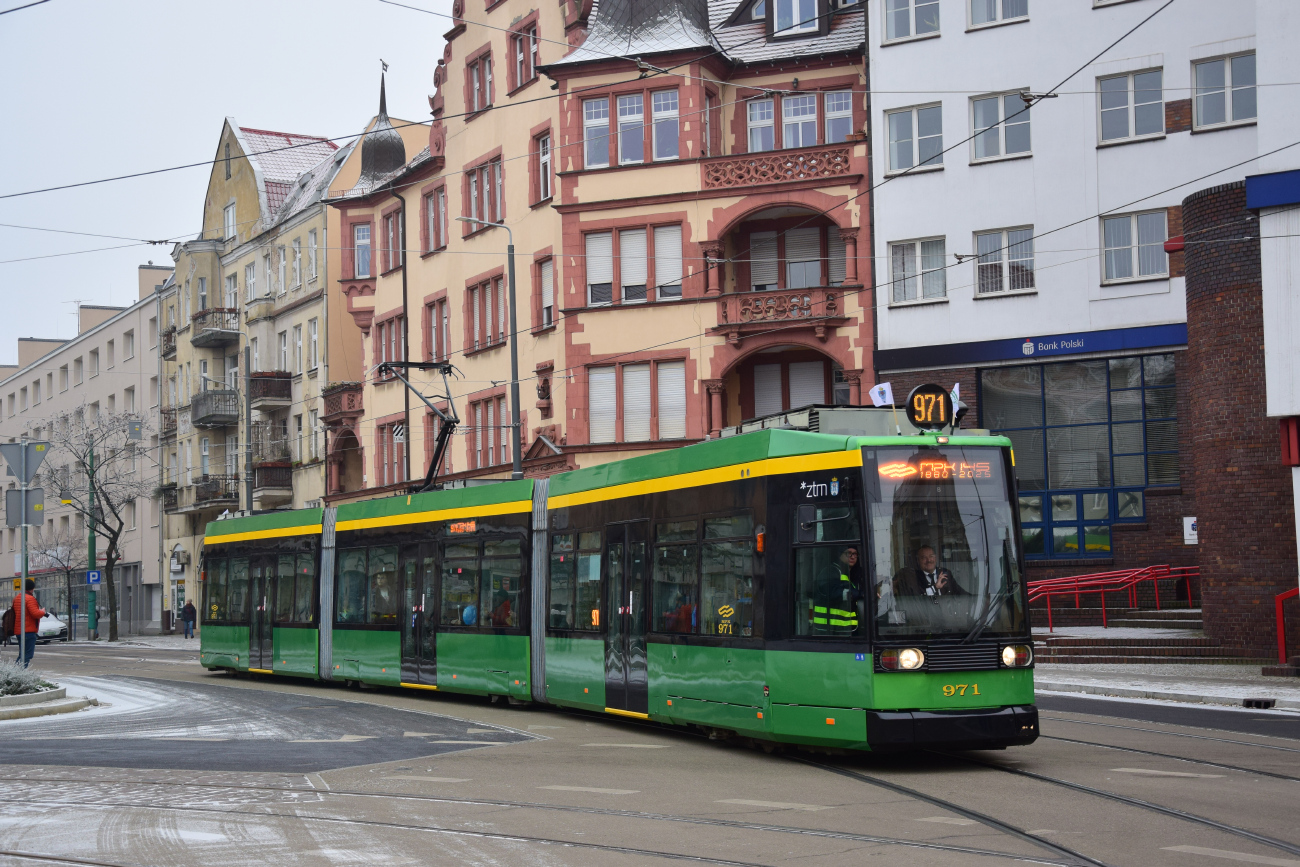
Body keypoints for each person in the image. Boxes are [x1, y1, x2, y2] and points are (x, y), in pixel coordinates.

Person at [811, 546, 862, 633]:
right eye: (849, 553)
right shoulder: (831, 571)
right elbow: (835, 593)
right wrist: (861, 594)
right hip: (828, 630)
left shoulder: (849, 574)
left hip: (844, 629)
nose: (853, 557)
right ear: (840, 555)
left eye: (855, 554)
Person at [894, 545, 964, 598]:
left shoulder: (945, 572)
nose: (929, 560)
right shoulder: (914, 577)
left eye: (931, 556)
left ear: (935, 558)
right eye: (924, 558)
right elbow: (917, 599)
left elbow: (959, 592)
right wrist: (935, 588)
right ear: (918, 561)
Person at [11, 579, 47, 667]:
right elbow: (35, 614)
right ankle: (19, 673)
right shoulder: (30, 598)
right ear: (32, 588)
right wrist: (42, 612)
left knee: (22, 654)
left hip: (19, 630)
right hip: (28, 630)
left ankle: (15, 672)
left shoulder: (17, 597)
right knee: (27, 655)